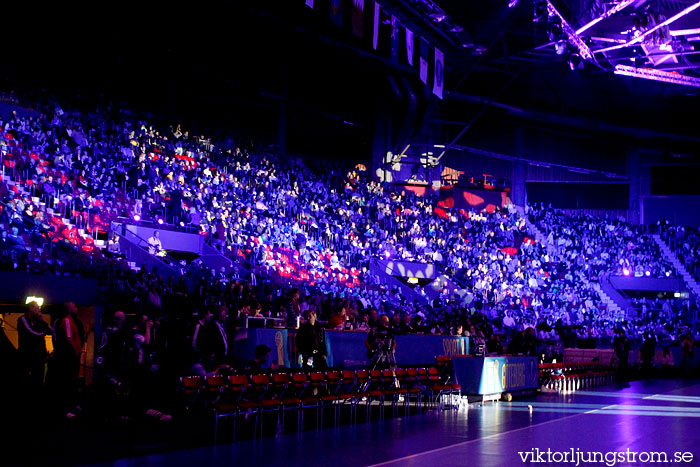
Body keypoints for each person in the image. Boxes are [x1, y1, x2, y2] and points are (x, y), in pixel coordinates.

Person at [51, 302, 85, 418]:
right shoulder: (66, 321)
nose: (76, 308)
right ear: (69, 309)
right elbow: (69, 338)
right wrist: (75, 354)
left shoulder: (73, 321)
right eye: (74, 307)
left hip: (72, 356)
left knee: (71, 382)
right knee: (67, 383)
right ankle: (65, 409)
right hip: (69, 357)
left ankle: (71, 405)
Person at [17, 301, 51, 392]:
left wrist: (42, 319)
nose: (39, 310)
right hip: (26, 355)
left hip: (39, 356)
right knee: (25, 380)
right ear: (30, 309)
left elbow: (50, 330)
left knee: (38, 381)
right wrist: (42, 333)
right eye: (37, 308)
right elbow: (30, 332)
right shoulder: (22, 320)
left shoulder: (39, 321)